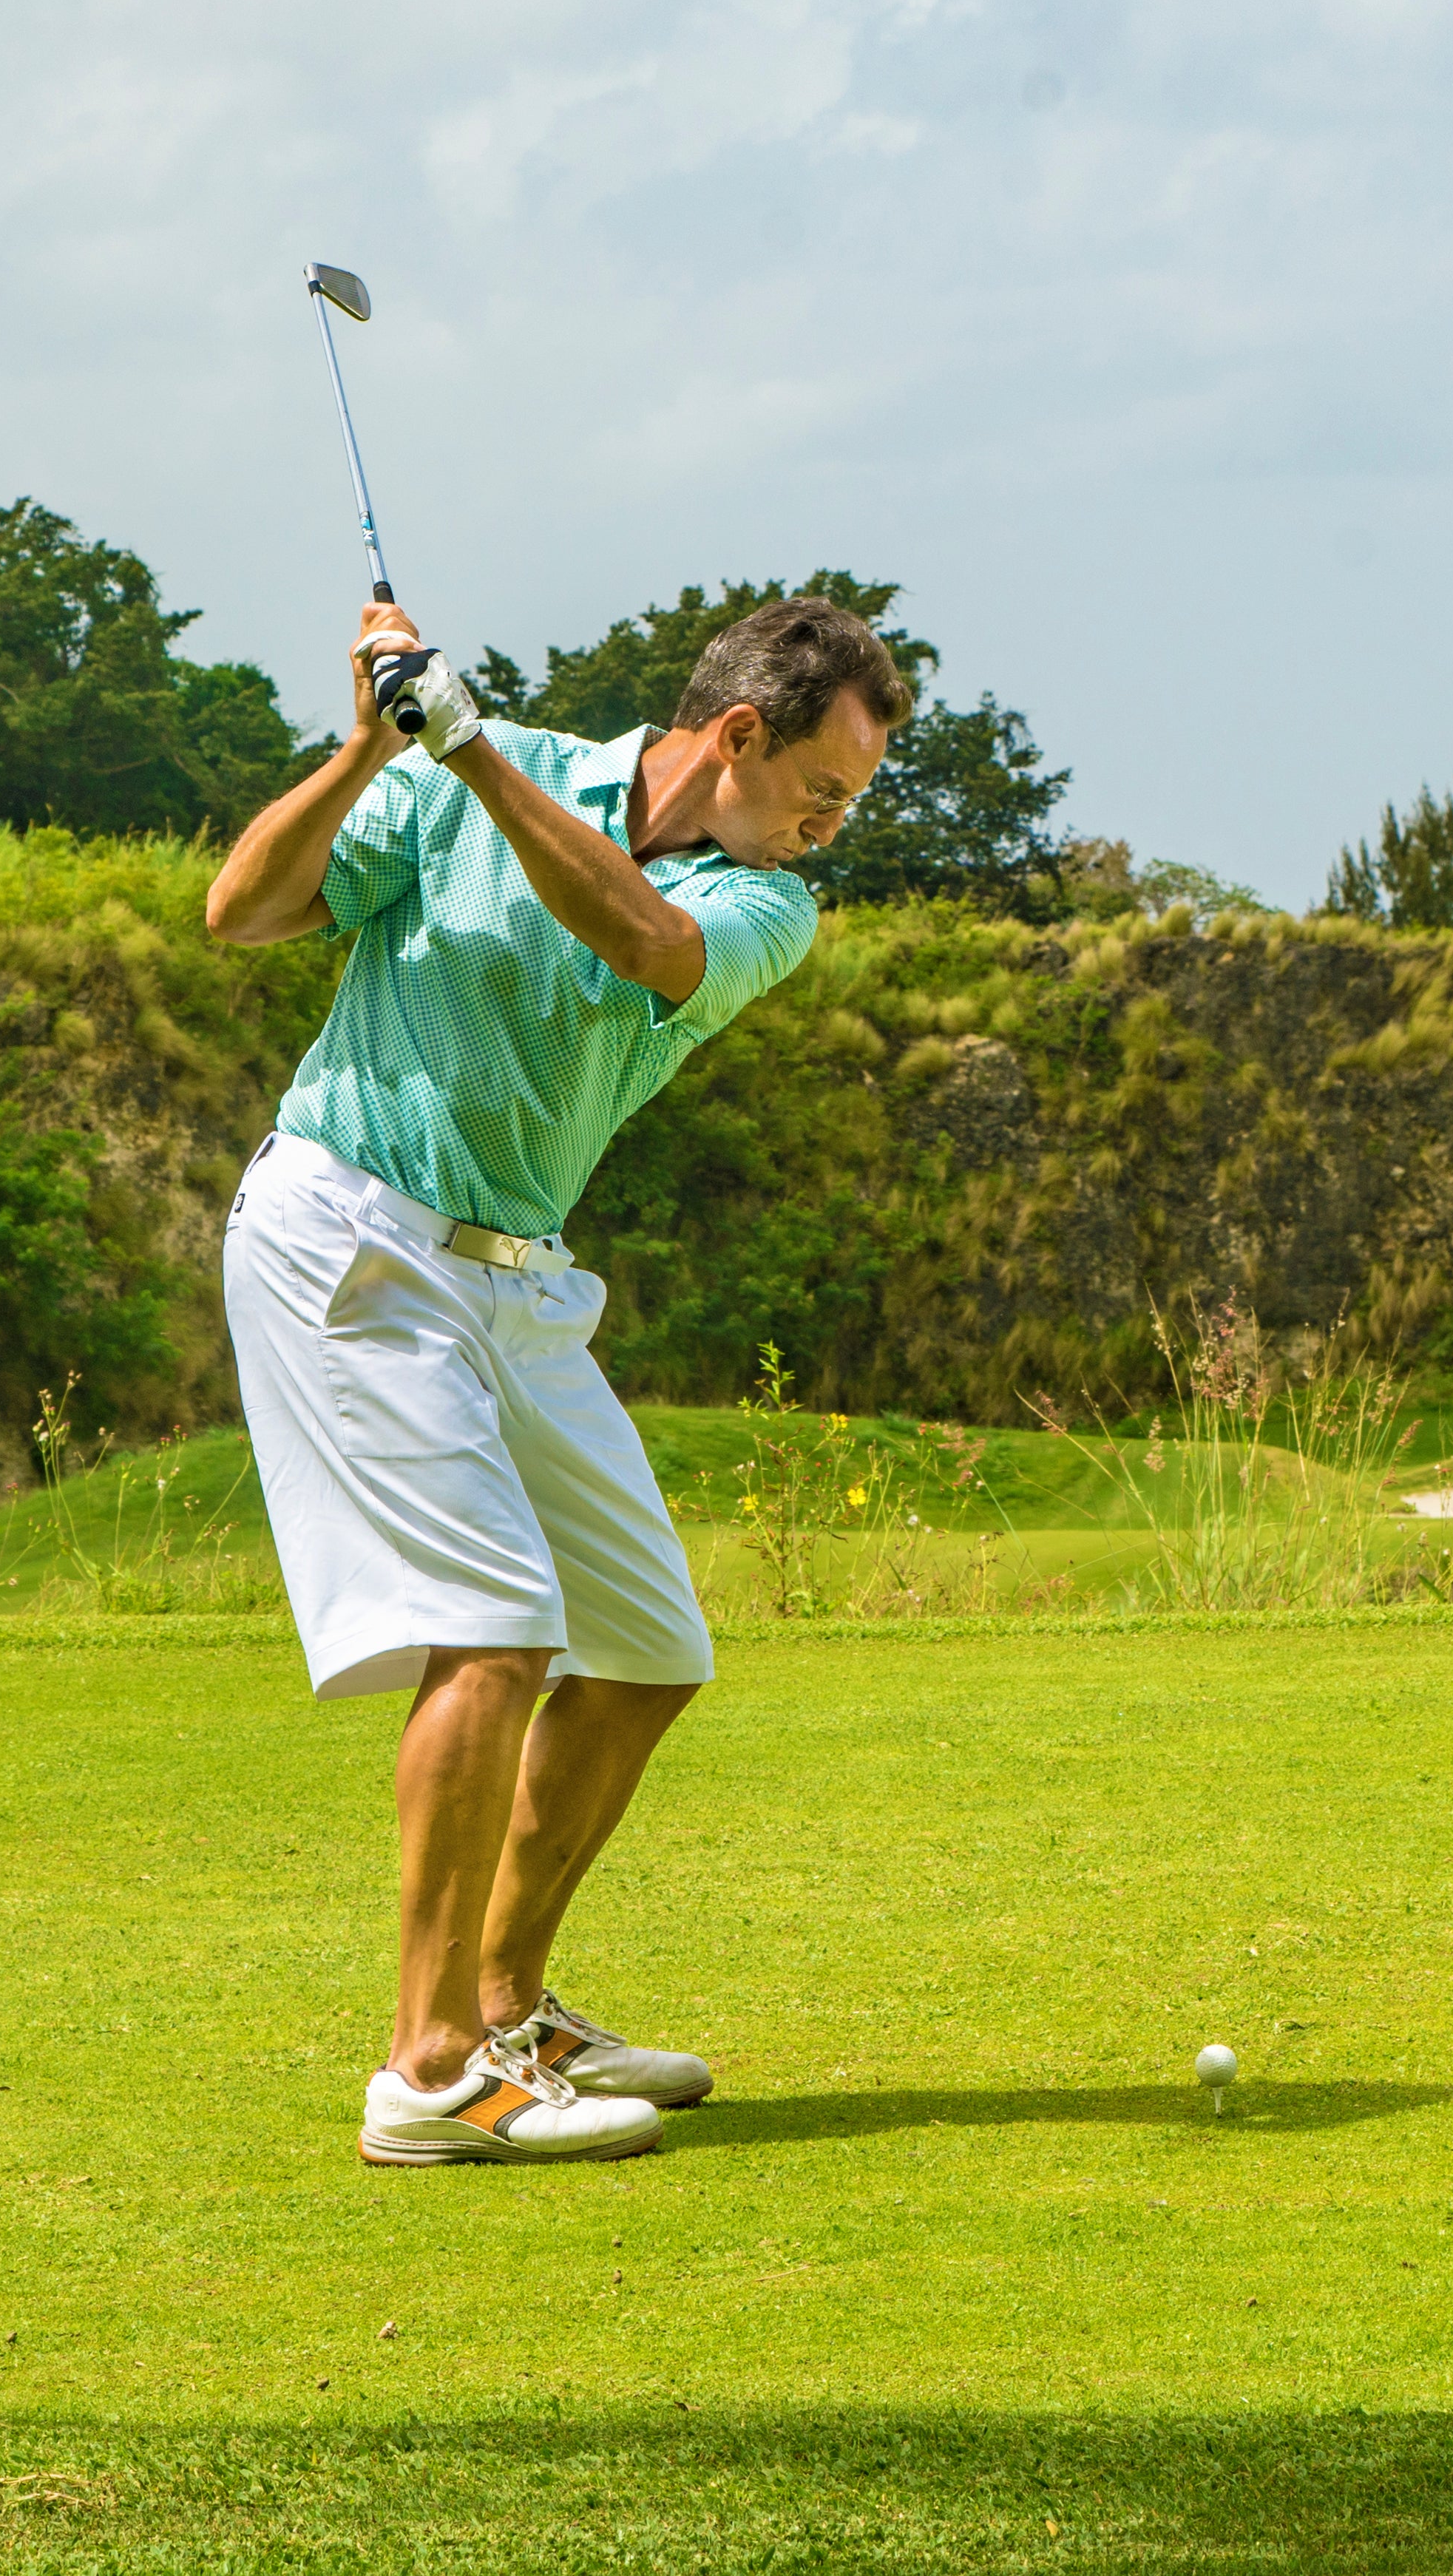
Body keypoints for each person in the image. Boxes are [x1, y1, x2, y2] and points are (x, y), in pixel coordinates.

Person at [201, 586, 901, 2164]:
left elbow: (642, 939)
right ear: (736, 737)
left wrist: (468, 757)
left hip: (513, 1276)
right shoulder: (462, 770)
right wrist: (362, 749)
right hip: (351, 1228)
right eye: (821, 793)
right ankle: (430, 2070)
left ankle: (507, 1999)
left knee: (647, 1646)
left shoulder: (763, 906)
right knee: (499, 1632)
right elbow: (241, 911)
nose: (831, 830)